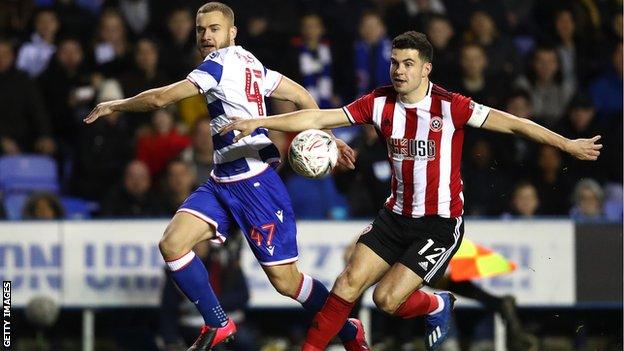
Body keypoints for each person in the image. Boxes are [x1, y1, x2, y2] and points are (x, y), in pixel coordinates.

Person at [221, 31, 602, 351]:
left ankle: (438, 301)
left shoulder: (452, 107)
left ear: (426, 68)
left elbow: (516, 125)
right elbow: (319, 117)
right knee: (346, 283)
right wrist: (259, 120)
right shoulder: (380, 102)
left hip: (439, 223)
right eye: (394, 62)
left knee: (385, 300)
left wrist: (567, 144)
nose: (399, 70)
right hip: (395, 216)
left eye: (407, 64)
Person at [84, 3, 366, 351]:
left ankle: (349, 330)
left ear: (232, 32)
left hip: (256, 185)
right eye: (201, 29)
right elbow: (299, 95)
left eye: (214, 28)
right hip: (222, 180)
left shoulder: (216, 66)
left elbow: (160, 100)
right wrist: (328, 136)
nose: (206, 36)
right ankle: (218, 322)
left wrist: (115, 104)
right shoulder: (250, 62)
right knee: (172, 245)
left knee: (286, 282)